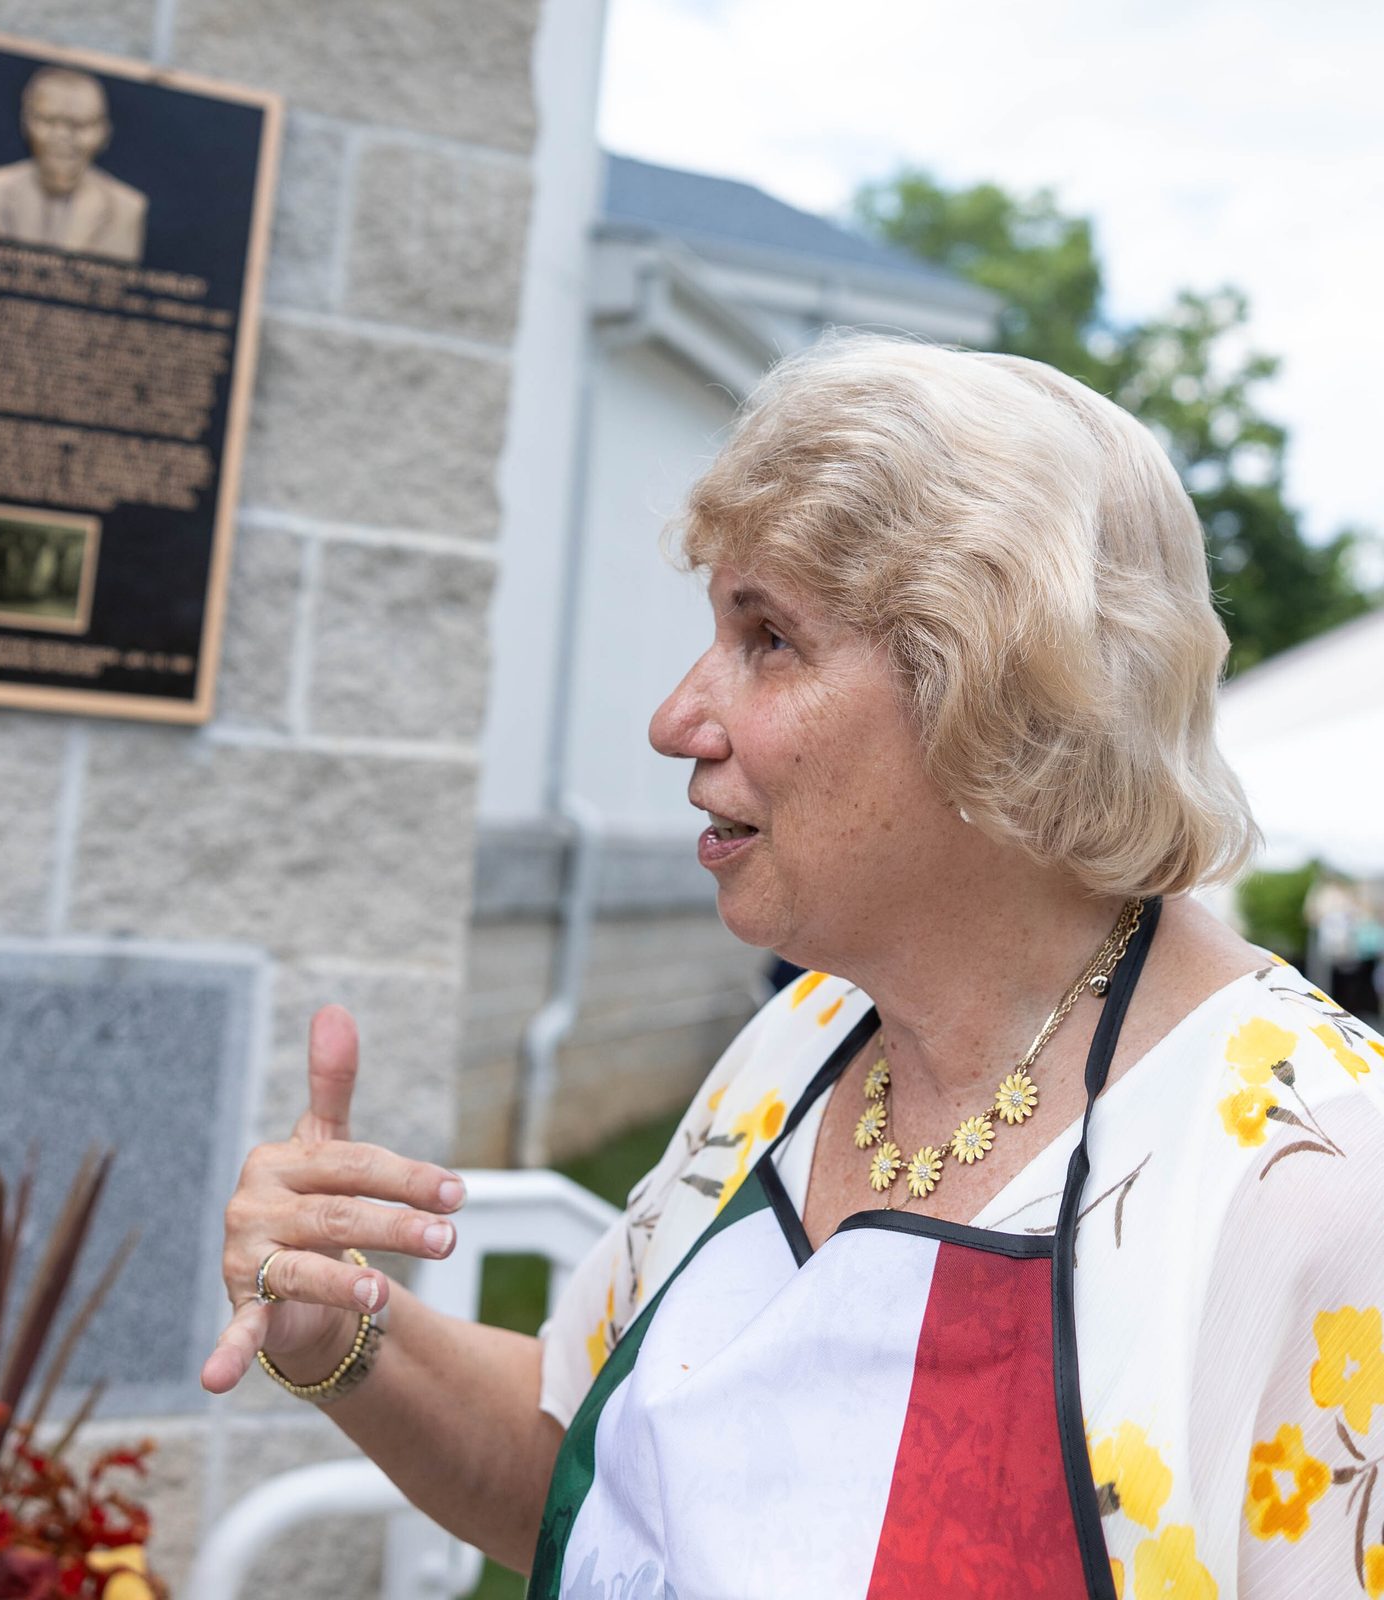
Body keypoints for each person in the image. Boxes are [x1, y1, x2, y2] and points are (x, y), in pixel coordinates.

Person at [203, 334, 1384, 1599]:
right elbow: (586, 1468)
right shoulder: (804, 1043)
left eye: (766, 635)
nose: (675, 718)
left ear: (995, 688)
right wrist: (347, 1332)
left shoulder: (1308, 1176)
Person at [0, 67, 146, 263]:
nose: (62, 137)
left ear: (104, 133)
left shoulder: (127, 208)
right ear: (26, 122)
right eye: (48, 121)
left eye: (79, 125)